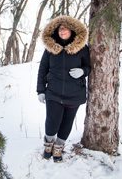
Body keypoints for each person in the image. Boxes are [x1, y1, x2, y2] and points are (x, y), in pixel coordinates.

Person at [36, 15, 90, 162]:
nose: (62, 31)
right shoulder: (50, 49)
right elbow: (42, 69)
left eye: (65, 28)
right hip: (53, 92)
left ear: (72, 31)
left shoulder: (82, 49)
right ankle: (48, 144)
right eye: (60, 28)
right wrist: (40, 90)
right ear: (55, 31)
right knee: (52, 121)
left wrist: (83, 72)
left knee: (67, 123)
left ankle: (59, 147)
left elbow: (89, 67)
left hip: (75, 94)